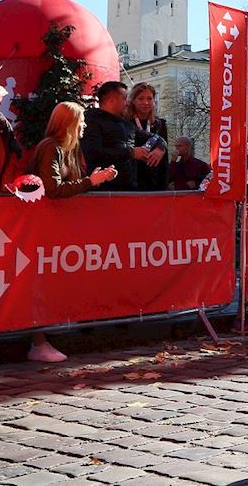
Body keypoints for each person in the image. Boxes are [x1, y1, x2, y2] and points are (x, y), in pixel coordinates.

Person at [23, 101, 117, 361]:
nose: (85, 125)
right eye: (81, 121)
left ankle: (43, 338)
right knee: (39, 282)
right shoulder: (51, 148)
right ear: (70, 124)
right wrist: (90, 181)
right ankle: (38, 340)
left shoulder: (69, 149)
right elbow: (53, 189)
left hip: (58, 229)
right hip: (44, 228)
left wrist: (94, 180)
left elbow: (72, 184)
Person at [83, 81, 164, 191]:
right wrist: (131, 153)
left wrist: (160, 147)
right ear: (112, 100)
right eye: (124, 98)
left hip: (130, 189)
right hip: (104, 190)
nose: (127, 103)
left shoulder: (126, 124)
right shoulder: (91, 121)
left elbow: (155, 137)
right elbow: (93, 152)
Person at [124, 83, 169, 188]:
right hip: (132, 181)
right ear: (133, 101)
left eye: (149, 98)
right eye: (141, 98)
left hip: (155, 181)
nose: (146, 102)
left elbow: (164, 159)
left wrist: (165, 185)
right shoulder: (125, 122)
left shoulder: (160, 124)